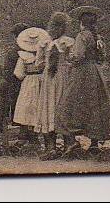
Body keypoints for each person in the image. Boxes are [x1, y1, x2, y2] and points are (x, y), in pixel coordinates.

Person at [56, 5, 110, 149]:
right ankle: (94, 143)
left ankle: (71, 140)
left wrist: (68, 56)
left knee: (69, 103)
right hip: (95, 72)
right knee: (95, 104)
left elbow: (78, 56)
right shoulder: (97, 37)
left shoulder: (82, 36)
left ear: (81, 21)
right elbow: (102, 56)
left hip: (82, 73)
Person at [39, 11, 74, 158]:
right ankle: (68, 145)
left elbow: (39, 63)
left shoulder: (44, 42)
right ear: (65, 27)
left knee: (48, 109)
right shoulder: (69, 42)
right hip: (63, 78)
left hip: (49, 79)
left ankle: (51, 147)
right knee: (63, 107)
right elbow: (73, 60)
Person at [12, 26, 49, 149]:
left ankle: (24, 136)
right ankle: (37, 136)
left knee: (26, 107)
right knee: (39, 107)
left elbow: (18, 74)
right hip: (42, 81)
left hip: (28, 82)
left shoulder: (23, 56)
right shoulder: (44, 55)